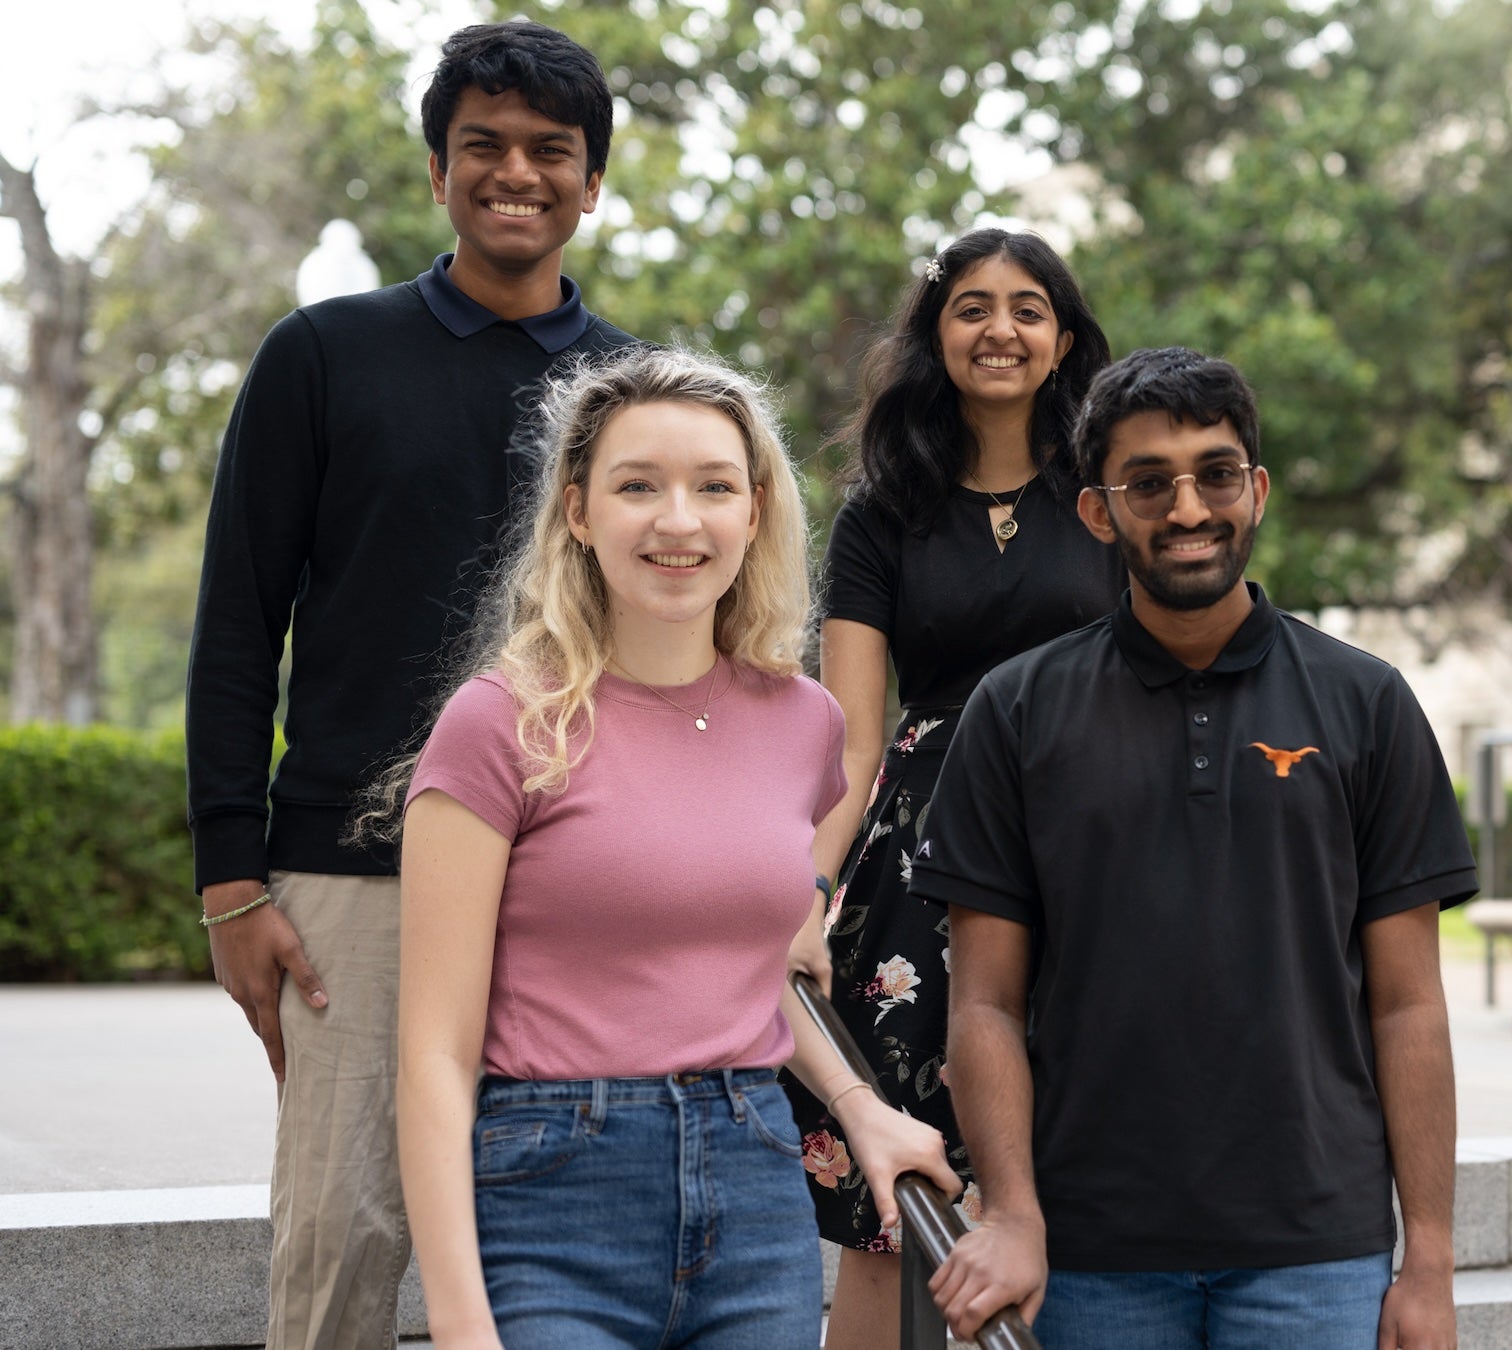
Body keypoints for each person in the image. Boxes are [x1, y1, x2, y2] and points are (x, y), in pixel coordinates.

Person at [183, 21, 636, 1347]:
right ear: (438, 171)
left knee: (548, 1248)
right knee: (344, 1241)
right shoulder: (321, 357)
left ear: (591, 182)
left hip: (572, 874)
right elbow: (234, 628)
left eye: (550, 151)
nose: (516, 173)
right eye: (483, 145)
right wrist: (231, 879)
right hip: (352, 871)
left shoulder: (628, 389)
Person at [386, 346, 958, 1349]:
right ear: (578, 513)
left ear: (755, 509)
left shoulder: (805, 724)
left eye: (713, 487)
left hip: (754, 1186)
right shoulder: (499, 724)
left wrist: (861, 1108)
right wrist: (458, 1320)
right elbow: (433, 1054)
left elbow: (746, 968)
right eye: (637, 485)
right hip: (553, 1191)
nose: (678, 520)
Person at [915, 347, 1478, 1350]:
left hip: (1318, 1250)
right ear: (1099, 511)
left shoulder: (1367, 702)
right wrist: (1011, 1211)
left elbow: (1408, 1004)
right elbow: (985, 1002)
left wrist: (1427, 1262)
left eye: (1215, 474)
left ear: (1254, 491)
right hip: (1092, 1251)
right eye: (1148, 483)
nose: (1187, 509)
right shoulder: (1015, 710)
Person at [787, 228, 1115, 1347]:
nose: (1000, 328)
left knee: (1066, 1177)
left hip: (1086, 842)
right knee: (895, 1211)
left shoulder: (1107, 497)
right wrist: (807, 886)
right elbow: (852, 736)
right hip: (920, 864)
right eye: (972, 306)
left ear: (1063, 338)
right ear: (936, 334)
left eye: (1028, 308)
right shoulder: (882, 512)